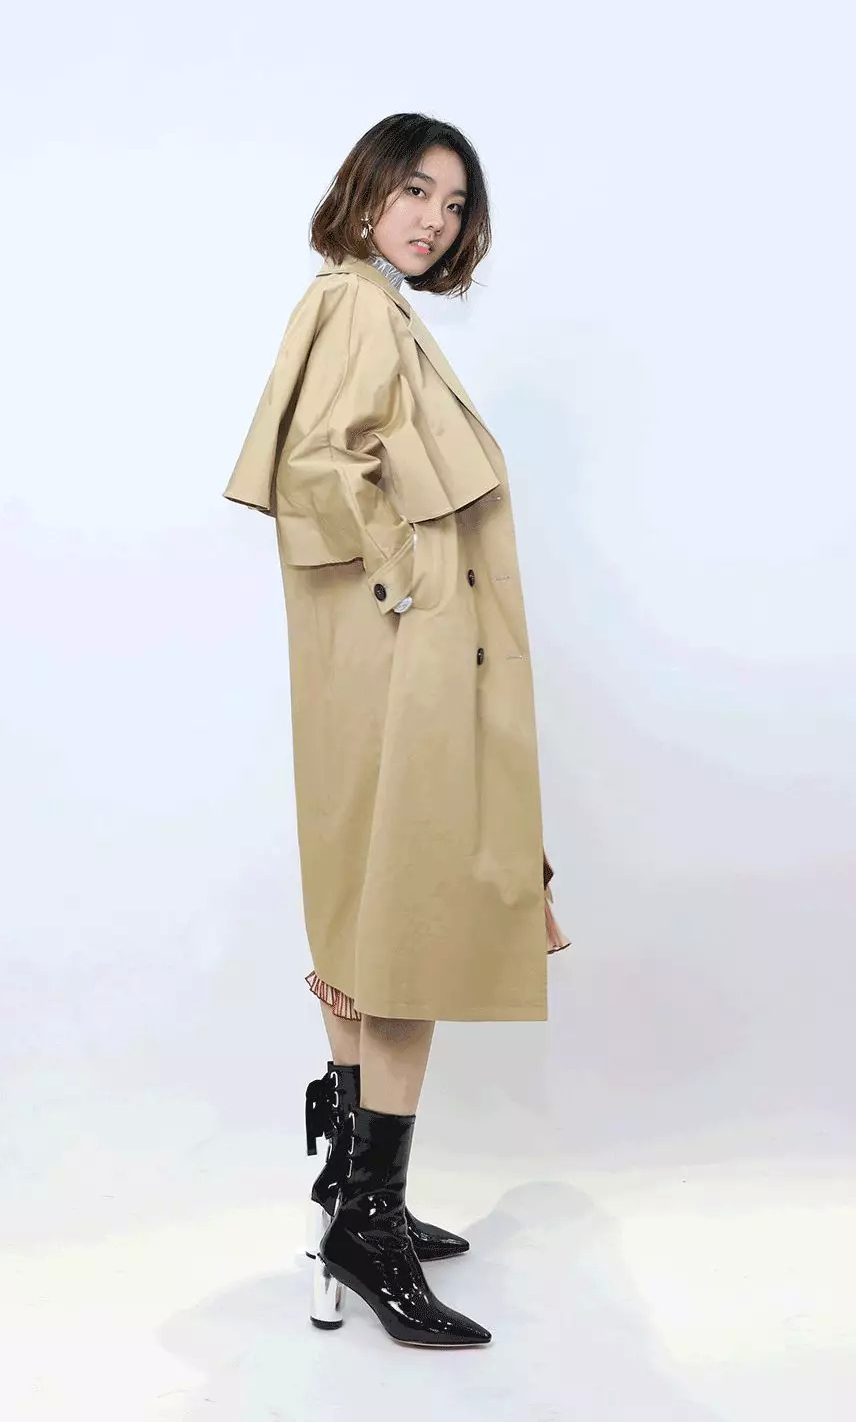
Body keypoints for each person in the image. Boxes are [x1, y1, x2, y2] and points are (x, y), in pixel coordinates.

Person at [222, 112, 571, 1349]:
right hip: (398, 666)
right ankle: (368, 1222)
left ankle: (352, 1188)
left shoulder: (368, 304)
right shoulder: (357, 306)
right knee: (408, 924)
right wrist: (406, 591)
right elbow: (320, 468)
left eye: (455, 202)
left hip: (372, 664)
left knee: (370, 916)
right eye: (415, 188)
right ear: (365, 188)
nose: (434, 217)